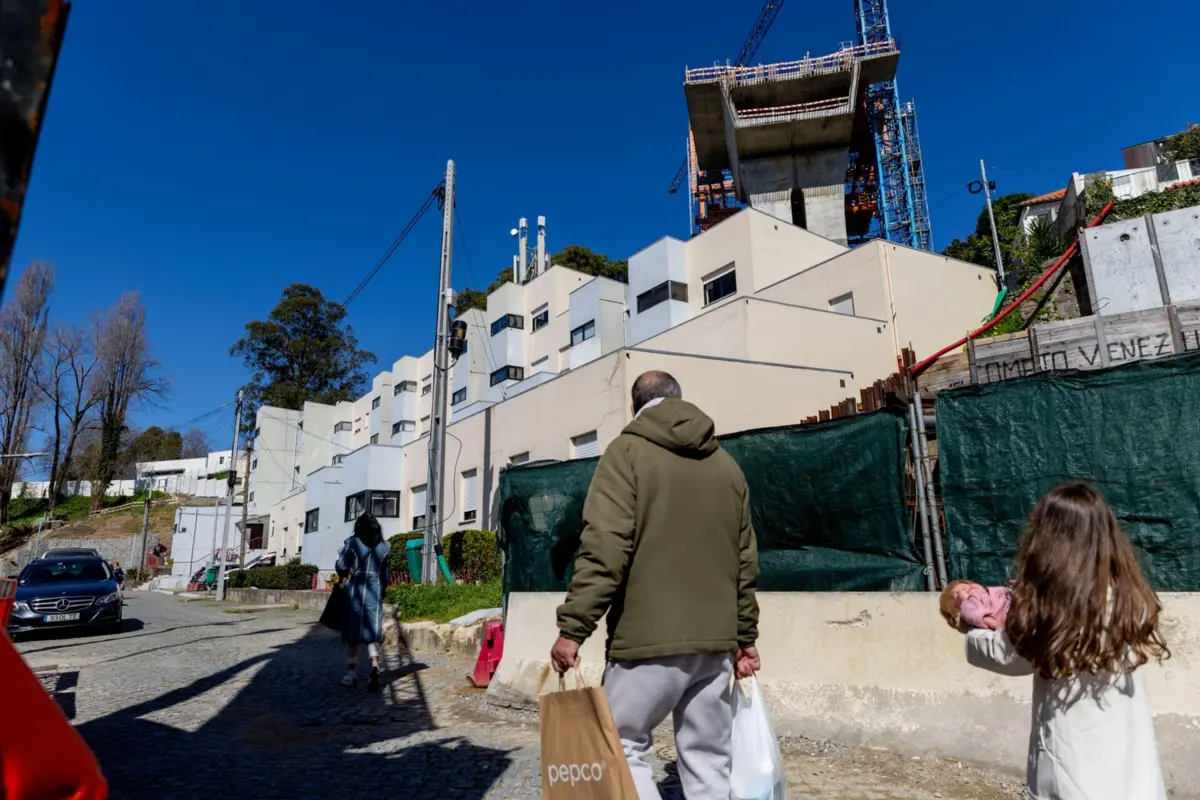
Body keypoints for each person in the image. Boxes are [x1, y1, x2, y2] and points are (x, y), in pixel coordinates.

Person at [550, 370, 760, 800]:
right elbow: (745, 561)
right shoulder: (727, 466)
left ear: (634, 407)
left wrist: (573, 629)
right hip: (715, 645)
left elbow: (604, 549)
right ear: (680, 400)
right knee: (708, 760)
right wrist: (745, 637)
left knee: (623, 746)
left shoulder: (625, 453)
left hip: (645, 642)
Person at [961, 482, 1170, 800]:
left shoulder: (1053, 608)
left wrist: (972, 633)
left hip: (1071, 779)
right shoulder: (1128, 597)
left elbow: (1011, 655)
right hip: (1133, 780)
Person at [336, 512, 391, 690]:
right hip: (374, 592)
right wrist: (382, 590)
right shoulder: (385, 547)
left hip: (355, 592)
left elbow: (342, 566)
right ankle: (375, 667)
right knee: (371, 634)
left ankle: (351, 675)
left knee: (352, 634)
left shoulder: (353, 543)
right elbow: (386, 575)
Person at [939, 579, 1011, 631]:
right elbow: (977, 616)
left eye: (969, 585)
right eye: (958, 593)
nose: (966, 588)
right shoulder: (968, 607)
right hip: (1008, 616)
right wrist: (996, 624)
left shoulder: (990, 591)